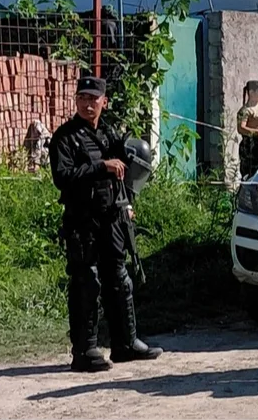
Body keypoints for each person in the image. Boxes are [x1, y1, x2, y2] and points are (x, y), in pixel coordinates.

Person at [49, 76, 163, 372]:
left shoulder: (109, 134)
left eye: (93, 99)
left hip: (112, 216)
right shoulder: (65, 137)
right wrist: (101, 166)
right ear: (76, 101)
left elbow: (125, 171)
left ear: (104, 102)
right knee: (87, 281)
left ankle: (126, 344)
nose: (88, 104)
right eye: (82, 98)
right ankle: (85, 350)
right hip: (82, 220)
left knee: (119, 278)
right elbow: (62, 177)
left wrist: (127, 204)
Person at [237, 80, 258, 179]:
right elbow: (241, 128)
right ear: (251, 92)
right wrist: (257, 132)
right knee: (250, 175)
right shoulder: (246, 110)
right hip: (251, 147)